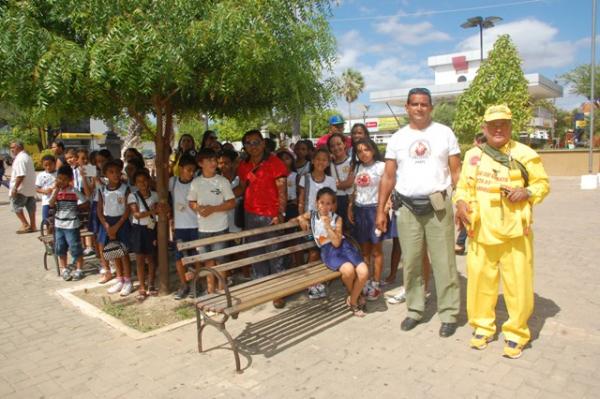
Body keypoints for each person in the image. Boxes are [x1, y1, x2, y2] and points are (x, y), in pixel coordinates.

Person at [454, 105, 550, 359]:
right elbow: (463, 187)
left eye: (503, 124)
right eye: (493, 124)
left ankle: (516, 333)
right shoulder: (473, 155)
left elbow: (542, 184)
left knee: (518, 286)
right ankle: (482, 327)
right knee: (480, 284)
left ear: (510, 126)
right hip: (480, 232)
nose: (498, 128)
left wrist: (527, 192)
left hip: (515, 233)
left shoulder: (525, 153)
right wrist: (461, 202)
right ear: (484, 128)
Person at [376, 87, 461, 338]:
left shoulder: (444, 133)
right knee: (411, 262)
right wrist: (381, 209)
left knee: (444, 262)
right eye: (415, 104)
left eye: (424, 104)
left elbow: (456, 172)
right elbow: (388, 176)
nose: (420, 108)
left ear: (431, 107)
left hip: (438, 207)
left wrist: (465, 203)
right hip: (408, 208)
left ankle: (449, 313)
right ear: (407, 107)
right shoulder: (397, 138)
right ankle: (414, 310)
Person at [235, 130, 288, 308]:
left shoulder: (275, 162)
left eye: (256, 142)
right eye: (248, 143)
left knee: (275, 253)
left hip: (271, 216)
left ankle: (278, 292)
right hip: (250, 215)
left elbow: (282, 189)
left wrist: (280, 213)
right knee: (256, 253)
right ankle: (264, 288)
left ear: (263, 143)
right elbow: (242, 189)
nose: (253, 146)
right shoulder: (243, 165)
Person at [297, 187, 368, 317]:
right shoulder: (312, 215)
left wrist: (328, 226)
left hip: (345, 247)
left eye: (328, 203)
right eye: (321, 202)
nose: (324, 206)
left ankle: (352, 299)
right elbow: (299, 217)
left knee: (363, 272)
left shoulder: (337, 219)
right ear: (316, 202)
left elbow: (337, 242)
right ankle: (355, 299)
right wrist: (301, 219)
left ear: (333, 205)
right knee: (348, 270)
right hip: (329, 251)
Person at [348, 138, 396, 301]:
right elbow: (354, 189)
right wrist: (350, 206)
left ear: (373, 150)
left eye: (366, 149)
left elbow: (390, 187)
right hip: (360, 210)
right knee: (365, 250)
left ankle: (376, 282)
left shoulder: (381, 167)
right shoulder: (357, 167)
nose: (363, 153)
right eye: (359, 151)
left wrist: (385, 208)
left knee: (377, 250)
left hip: (375, 210)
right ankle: (366, 280)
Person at [188, 149, 235, 293]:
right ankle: (210, 292)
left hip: (220, 228)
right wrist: (199, 209)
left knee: (221, 262)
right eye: (209, 160)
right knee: (208, 262)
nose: (214, 163)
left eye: (214, 160)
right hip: (203, 229)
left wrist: (213, 209)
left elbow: (231, 203)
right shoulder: (196, 182)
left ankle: (222, 292)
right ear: (200, 163)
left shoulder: (222, 181)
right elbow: (191, 202)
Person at [298, 148, 337, 300]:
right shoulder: (305, 178)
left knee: (324, 251)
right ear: (313, 161)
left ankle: (320, 280)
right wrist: (301, 217)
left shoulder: (331, 181)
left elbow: (333, 203)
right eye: (318, 159)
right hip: (310, 220)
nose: (321, 162)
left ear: (328, 163)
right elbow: (301, 200)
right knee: (313, 252)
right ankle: (312, 283)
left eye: (324, 160)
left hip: (325, 221)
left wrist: (332, 221)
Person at [97, 160, 133, 295]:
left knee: (124, 253)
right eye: (111, 172)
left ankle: (128, 280)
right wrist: (107, 226)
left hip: (121, 222)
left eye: (117, 172)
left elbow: (127, 210)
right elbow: (100, 210)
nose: (115, 175)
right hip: (108, 222)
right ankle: (119, 279)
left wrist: (117, 226)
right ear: (105, 174)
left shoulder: (125, 189)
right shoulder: (102, 190)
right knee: (114, 251)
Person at [49, 165, 88, 281]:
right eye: (59, 178)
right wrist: (55, 190)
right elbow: (51, 203)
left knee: (75, 246)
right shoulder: (56, 191)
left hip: (72, 225)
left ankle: (79, 268)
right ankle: (64, 269)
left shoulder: (73, 191)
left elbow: (85, 201)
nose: (61, 181)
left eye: (64, 179)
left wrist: (77, 208)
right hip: (59, 224)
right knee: (60, 247)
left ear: (70, 179)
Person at [170, 155, 200, 300]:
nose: (191, 173)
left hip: (196, 225)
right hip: (180, 227)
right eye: (188, 170)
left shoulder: (197, 183)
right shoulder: (173, 182)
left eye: (193, 170)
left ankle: (195, 284)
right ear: (180, 169)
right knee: (179, 258)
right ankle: (184, 285)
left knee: (196, 257)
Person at [128, 169, 159, 301]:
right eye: (139, 181)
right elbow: (136, 214)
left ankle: (151, 284)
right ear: (135, 183)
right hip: (138, 229)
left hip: (151, 228)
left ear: (149, 181)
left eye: (145, 180)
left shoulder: (155, 195)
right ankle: (141, 286)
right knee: (140, 259)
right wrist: (154, 211)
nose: (143, 183)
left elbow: (159, 211)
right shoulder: (132, 196)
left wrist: (155, 211)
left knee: (151, 258)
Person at [455, 133, 487, 255]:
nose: (473, 143)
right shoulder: (474, 153)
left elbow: (464, 177)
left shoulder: (472, 153)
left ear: (478, 141)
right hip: (474, 196)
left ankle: (460, 243)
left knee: (469, 219)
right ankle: (461, 243)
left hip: (472, 196)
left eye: (474, 141)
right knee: (469, 219)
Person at [9, 141, 37, 233]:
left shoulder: (20, 159)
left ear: (19, 147)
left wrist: (15, 188)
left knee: (16, 206)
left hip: (21, 189)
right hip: (30, 188)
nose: (11, 150)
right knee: (31, 207)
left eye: (13, 147)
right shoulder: (27, 157)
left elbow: (21, 174)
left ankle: (25, 224)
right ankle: (33, 225)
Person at [327, 133, 354, 230]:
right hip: (334, 201)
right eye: (332, 146)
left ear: (344, 144)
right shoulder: (328, 165)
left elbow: (349, 183)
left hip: (350, 200)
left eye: (339, 144)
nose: (336, 148)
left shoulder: (352, 162)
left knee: (350, 232)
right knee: (337, 231)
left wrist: (333, 185)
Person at [36, 155, 57, 225]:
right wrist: (44, 191)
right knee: (46, 221)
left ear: (55, 163)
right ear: (43, 165)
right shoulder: (41, 175)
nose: (48, 167)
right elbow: (37, 188)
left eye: (50, 164)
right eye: (45, 165)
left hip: (58, 201)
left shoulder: (59, 173)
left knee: (57, 221)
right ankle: (48, 231)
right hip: (46, 202)